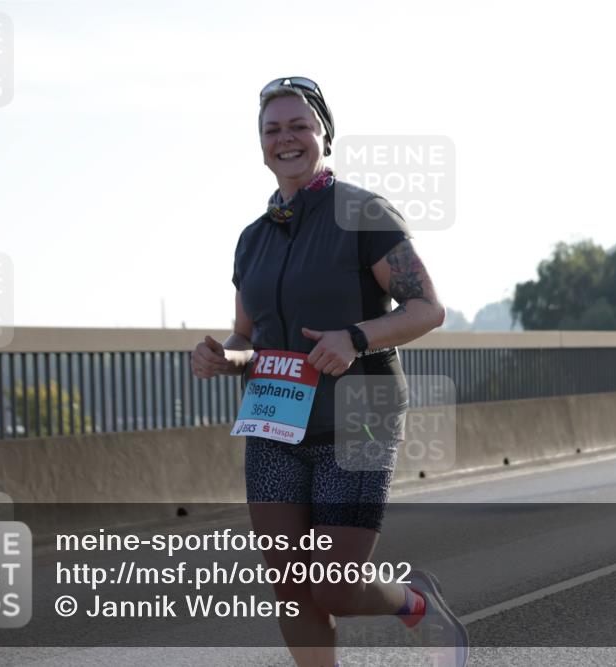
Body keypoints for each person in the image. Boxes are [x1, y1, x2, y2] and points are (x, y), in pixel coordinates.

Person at [191, 77, 468, 667]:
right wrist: (224, 356)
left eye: (299, 126)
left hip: (358, 418)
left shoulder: (362, 212)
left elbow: (428, 308)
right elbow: (248, 333)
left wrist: (357, 338)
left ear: (324, 136)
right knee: (291, 590)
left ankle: (415, 603)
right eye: (272, 129)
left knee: (336, 586)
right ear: (260, 143)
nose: (285, 138)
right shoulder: (253, 239)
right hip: (274, 422)